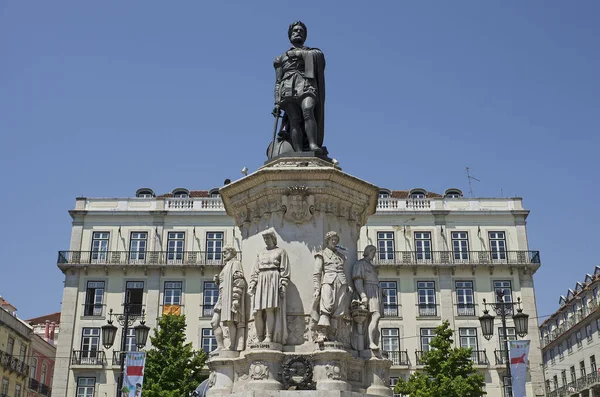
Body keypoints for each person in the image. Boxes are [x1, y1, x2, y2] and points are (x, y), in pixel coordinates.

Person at [272, 21, 326, 155]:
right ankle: (298, 151)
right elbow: (278, 81)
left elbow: (320, 59)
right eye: (295, 31)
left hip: (306, 84)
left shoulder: (312, 52)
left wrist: (299, 54)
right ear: (290, 35)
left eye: (301, 31)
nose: (298, 33)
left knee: (308, 109)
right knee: (294, 120)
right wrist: (277, 101)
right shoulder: (280, 58)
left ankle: (313, 144)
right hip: (287, 86)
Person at [248, 230, 290, 344]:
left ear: (273, 239)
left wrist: (283, 285)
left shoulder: (281, 251)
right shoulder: (260, 253)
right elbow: (255, 270)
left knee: (269, 309)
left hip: (273, 279)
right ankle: (258, 336)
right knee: (257, 312)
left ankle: (269, 336)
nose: (266, 240)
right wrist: (252, 283)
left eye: (268, 238)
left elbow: (284, 270)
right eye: (264, 239)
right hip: (261, 279)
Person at [311, 231, 350, 342]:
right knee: (326, 306)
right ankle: (322, 333)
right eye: (332, 239)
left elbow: (343, 271)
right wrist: (316, 288)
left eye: (336, 240)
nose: (334, 242)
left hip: (341, 283)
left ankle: (333, 334)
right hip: (328, 281)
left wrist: (347, 285)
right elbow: (317, 273)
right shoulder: (322, 254)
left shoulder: (341, 256)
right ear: (327, 241)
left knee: (338, 310)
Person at [211, 245, 246, 351]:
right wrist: (218, 280)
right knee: (214, 323)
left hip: (229, 297)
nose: (223, 254)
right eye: (222, 252)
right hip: (221, 298)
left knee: (230, 321)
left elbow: (239, 281)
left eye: (225, 252)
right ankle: (220, 346)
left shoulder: (235, 263)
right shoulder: (226, 266)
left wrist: (236, 299)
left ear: (232, 252)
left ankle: (231, 346)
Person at [352, 245, 381, 350]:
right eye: (373, 252)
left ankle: (370, 342)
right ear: (368, 251)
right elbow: (358, 280)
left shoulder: (371, 266)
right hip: (369, 291)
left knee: (374, 319)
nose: (374, 254)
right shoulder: (360, 264)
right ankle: (371, 343)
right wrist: (363, 295)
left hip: (376, 291)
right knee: (375, 315)